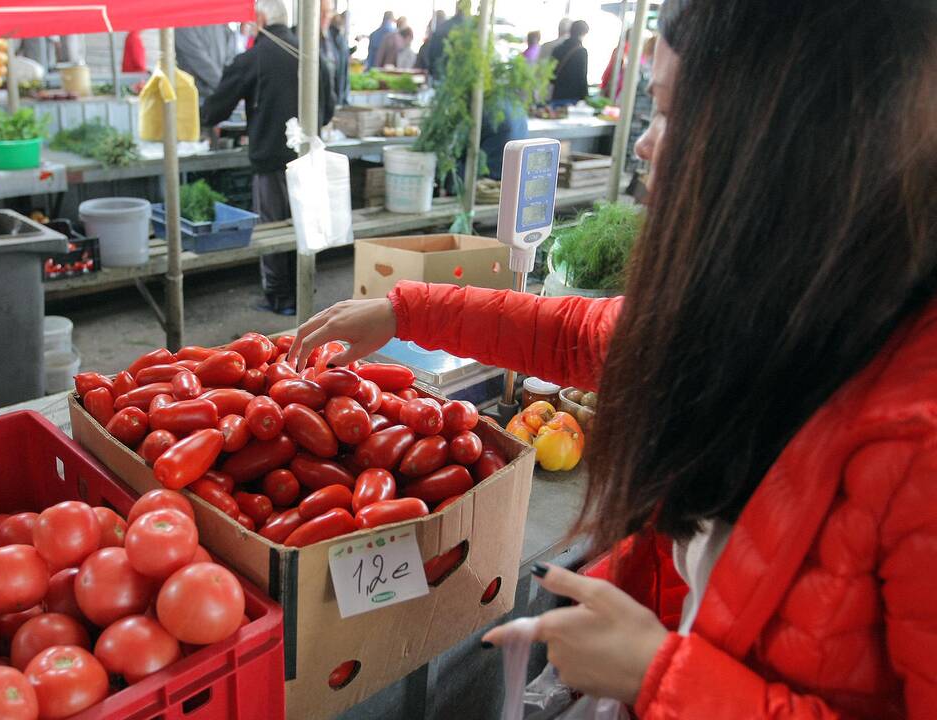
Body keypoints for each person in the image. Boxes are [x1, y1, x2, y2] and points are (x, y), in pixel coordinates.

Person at [288, 0, 937, 717]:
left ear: (787, 147)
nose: (646, 146)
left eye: (669, 114)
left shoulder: (916, 442)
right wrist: (404, 309)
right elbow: (572, 335)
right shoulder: (766, 303)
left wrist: (659, 675)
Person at [202, 0, 334, 316]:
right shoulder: (312, 54)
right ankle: (304, 291)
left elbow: (214, 109)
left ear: (259, 18)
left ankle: (281, 298)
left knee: (273, 228)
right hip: (308, 157)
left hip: (271, 159)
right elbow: (327, 111)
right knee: (303, 226)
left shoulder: (255, 57)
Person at [174, 24, 239, 100]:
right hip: (197, 94)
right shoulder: (182, 25)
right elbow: (199, 60)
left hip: (218, 92)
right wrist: (226, 86)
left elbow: (230, 56)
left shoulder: (221, 23)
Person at [427, 2, 469, 80]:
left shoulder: (441, 28)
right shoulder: (470, 31)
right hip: (460, 80)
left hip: (439, 78)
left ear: (456, 8)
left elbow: (430, 56)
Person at [551, 20, 590, 103]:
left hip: (557, 94)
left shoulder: (557, 49)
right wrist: (585, 97)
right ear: (583, 33)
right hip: (573, 97)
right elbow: (582, 77)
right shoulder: (581, 51)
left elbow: (551, 75)